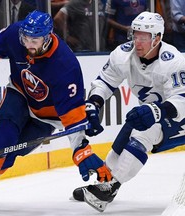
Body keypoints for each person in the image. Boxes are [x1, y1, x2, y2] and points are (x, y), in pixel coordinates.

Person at [0, 10, 112, 212]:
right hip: (19, 95)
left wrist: (81, 151)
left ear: (48, 37)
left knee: (8, 155)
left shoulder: (65, 66)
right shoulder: (16, 34)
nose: (29, 44)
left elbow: (74, 118)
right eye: (26, 38)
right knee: (1, 140)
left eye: (35, 40)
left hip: (47, 118)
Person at [72, 11, 185, 212]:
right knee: (128, 131)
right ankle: (105, 180)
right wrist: (94, 104)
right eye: (135, 35)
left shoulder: (173, 61)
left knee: (144, 131)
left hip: (178, 117)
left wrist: (158, 112)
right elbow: (104, 81)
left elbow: (182, 99)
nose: (137, 42)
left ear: (157, 38)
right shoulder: (123, 54)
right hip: (155, 113)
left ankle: (109, 189)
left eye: (144, 37)